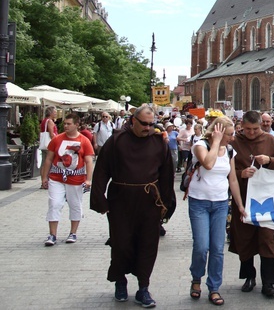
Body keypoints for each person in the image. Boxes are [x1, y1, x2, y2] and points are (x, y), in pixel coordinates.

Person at [91, 106, 176, 307]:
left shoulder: (158, 143)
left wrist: (165, 205)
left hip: (149, 203)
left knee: (148, 245)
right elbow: (101, 170)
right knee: (121, 243)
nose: (148, 128)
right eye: (144, 123)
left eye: (151, 124)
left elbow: (166, 175)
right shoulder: (117, 141)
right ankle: (120, 280)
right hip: (121, 201)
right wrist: (99, 200)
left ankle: (143, 288)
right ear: (133, 120)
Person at [188, 116, 246, 306]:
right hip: (199, 203)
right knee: (201, 246)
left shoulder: (229, 150)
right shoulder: (200, 145)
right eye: (229, 134)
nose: (232, 138)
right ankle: (196, 278)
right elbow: (208, 164)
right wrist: (215, 142)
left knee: (217, 248)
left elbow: (233, 180)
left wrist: (239, 205)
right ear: (218, 132)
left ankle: (214, 287)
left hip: (220, 203)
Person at [228, 110, 274, 297]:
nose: (251, 133)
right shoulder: (235, 142)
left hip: (266, 199)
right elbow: (224, 171)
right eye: (247, 129)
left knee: (267, 239)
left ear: (261, 125)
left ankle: (268, 282)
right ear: (241, 126)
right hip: (244, 198)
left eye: (255, 129)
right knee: (245, 239)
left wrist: (270, 160)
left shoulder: (270, 140)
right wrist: (240, 173)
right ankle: (249, 276)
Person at [40, 112, 95, 246]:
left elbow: (89, 161)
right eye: (64, 123)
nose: (65, 126)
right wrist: (44, 177)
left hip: (76, 179)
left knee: (75, 204)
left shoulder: (84, 141)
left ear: (77, 125)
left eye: (69, 124)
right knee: (54, 204)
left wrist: (88, 179)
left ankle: (73, 232)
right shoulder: (57, 139)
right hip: (57, 177)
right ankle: (52, 234)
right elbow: (49, 159)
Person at [40, 106, 58, 173]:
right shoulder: (50, 121)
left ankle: (43, 181)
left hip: (45, 145)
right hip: (49, 145)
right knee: (48, 163)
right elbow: (51, 134)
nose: (56, 114)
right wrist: (57, 142)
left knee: (44, 163)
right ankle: (46, 179)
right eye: (55, 112)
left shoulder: (44, 121)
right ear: (50, 113)